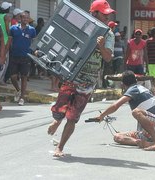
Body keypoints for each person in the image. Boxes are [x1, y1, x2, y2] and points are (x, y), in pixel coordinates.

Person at [47, 0, 115, 157]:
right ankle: (57, 121)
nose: (107, 16)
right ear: (94, 13)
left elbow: (108, 58)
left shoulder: (108, 34)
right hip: (71, 75)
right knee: (60, 107)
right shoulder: (82, 27)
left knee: (73, 116)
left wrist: (102, 46)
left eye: (108, 13)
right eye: (103, 13)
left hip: (88, 81)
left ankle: (60, 147)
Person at [97, 70, 155, 151]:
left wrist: (102, 115)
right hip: (153, 131)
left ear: (123, 84)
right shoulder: (141, 88)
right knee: (117, 136)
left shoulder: (133, 89)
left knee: (136, 112)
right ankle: (143, 142)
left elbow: (116, 105)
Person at [8, 12, 36, 106]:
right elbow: (9, 42)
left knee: (24, 77)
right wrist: (3, 54)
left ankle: (22, 97)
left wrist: (35, 51)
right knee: (13, 77)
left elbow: (34, 43)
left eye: (27, 18)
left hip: (26, 57)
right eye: (24, 18)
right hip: (14, 56)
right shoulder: (13, 28)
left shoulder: (32, 30)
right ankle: (18, 90)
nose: (25, 19)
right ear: (20, 18)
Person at [0, 1, 12, 85]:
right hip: (5, 40)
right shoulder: (6, 16)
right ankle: (0, 80)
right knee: (5, 61)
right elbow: (7, 29)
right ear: (7, 9)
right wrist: (11, 35)